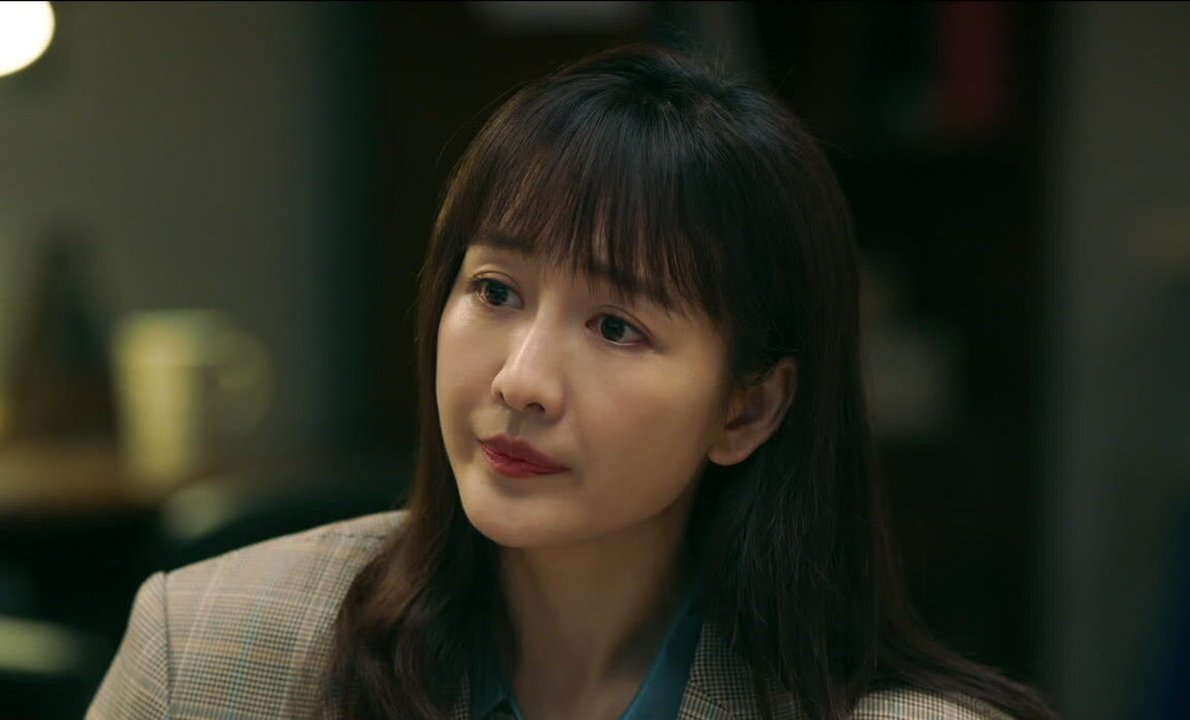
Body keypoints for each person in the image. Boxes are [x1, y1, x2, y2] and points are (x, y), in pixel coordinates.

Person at [88, 44, 1055, 720]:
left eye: (617, 327)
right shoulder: (205, 650)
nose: (522, 381)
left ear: (749, 407)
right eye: (495, 291)